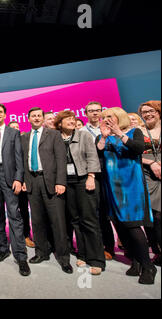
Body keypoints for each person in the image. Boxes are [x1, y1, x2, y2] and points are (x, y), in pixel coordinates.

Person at [96, 107, 157, 284]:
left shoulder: (133, 131)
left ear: (119, 117)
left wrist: (118, 133)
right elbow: (98, 152)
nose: (106, 119)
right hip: (111, 187)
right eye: (104, 117)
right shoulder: (103, 135)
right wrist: (106, 136)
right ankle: (136, 261)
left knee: (133, 225)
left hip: (131, 186)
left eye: (109, 116)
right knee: (120, 226)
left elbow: (138, 148)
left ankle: (148, 266)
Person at [22, 107, 73, 274]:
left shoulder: (54, 135)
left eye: (39, 116)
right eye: (33, 116)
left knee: (58, 221)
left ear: (43, 118)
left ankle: (64, 258)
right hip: (32, 181)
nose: (36, 118)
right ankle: (41, 252)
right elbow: (23, 161)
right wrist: (23, 180)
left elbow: (60, 160)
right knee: (37, 221)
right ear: (28, 119)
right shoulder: (24, 137)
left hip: (50, 181)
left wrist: (61, 182)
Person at [54, 111, 105, 275]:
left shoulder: (84, 135)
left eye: (72, 119)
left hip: (84, 180)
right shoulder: (56, 138)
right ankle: (82, 254)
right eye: (66, 119)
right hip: (67, 183)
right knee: (75, 220)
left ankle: (96, 259)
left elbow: (92, 157)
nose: (71, 121)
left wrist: (91, 176)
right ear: (59, 123)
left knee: (89, 220)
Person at [0, 103, 30, 276]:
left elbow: (19, 158)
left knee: (14, 215)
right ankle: (3, 248)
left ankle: (20, 256)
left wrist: (19, 178)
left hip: (9, 176)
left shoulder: (13, 132)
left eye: (0, 112)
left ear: (5, 115)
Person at [80, 101, 116, 260]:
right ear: (85, 113)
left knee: (112, 212)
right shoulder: (81, 131)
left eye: (97, 110)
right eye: (91, 111)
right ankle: (103, 247)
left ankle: (118, 244)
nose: (95, 113)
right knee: (97, 212)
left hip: (113, 173)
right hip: (93, 175)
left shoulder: (112, 129)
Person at [138, 101, 161, 266]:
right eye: (144, 112)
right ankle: (158, 250)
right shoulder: (139, 131)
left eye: (151, 111)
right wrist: (150, 163)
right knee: (154, 215)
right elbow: (131, 153)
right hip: (147, 173)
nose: (147, 114)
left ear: (158, 112)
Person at [8, 121, 34, 248]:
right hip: (8, 180)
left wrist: (23, 180)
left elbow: (25, 162)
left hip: (23, 181)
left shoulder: (25, 141)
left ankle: (26, 235)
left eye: (17, 127)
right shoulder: (5, 142)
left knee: (24, 210)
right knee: (13, 211)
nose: (15, 130)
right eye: (12, 128)